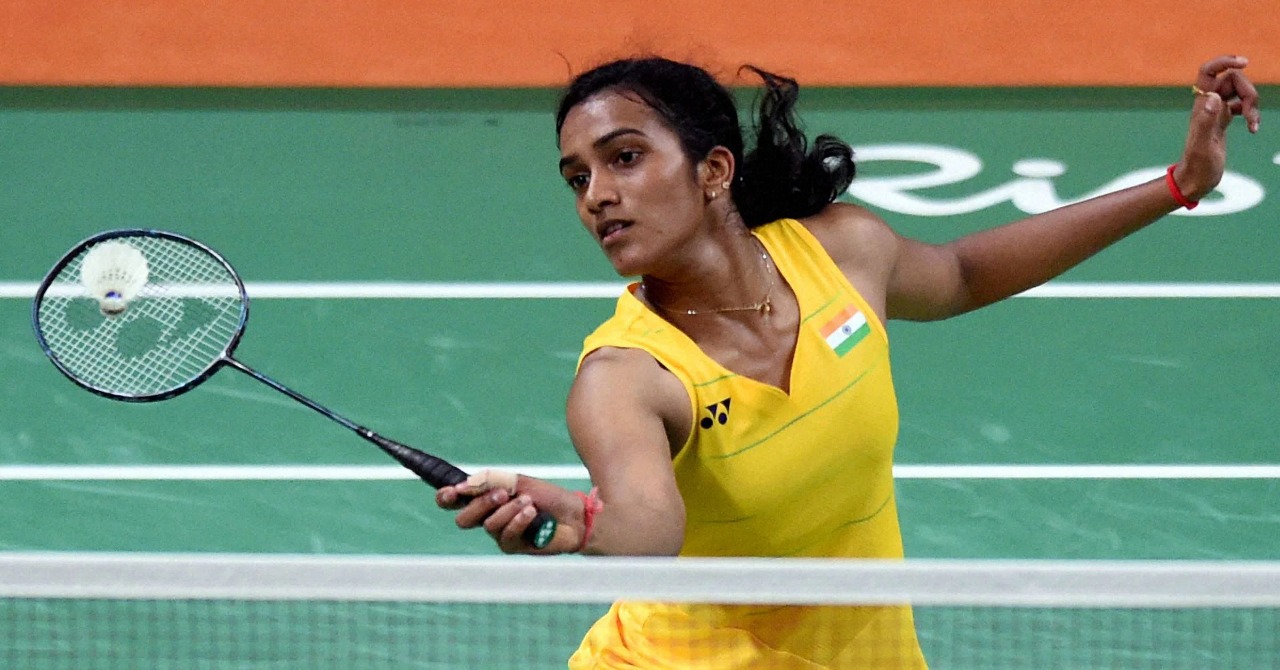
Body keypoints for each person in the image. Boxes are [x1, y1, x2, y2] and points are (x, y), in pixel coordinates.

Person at [437, 55, 1261, 668]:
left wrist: (1180, 183)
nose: (596, 196)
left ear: (714, 169)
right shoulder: (624, 377)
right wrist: (582, 524)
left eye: (624, 158)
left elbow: (962, 273)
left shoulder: (840, 253)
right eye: (576, 178)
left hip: (868, 653)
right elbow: (650, 525)